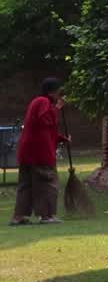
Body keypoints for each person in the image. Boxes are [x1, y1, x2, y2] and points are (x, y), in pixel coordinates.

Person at [9, 78, 71, 225]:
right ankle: (47, 215)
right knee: (47, 181)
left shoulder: (37, 102)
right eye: (59, 92)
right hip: (40, 152)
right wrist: (57, 108)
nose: (60, 95)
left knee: (27, 184)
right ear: (52, 91)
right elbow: (46, 121)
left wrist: (62, 139)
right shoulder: (43, 102)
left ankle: (19, 217)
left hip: (28, 151)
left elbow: (44, 128)